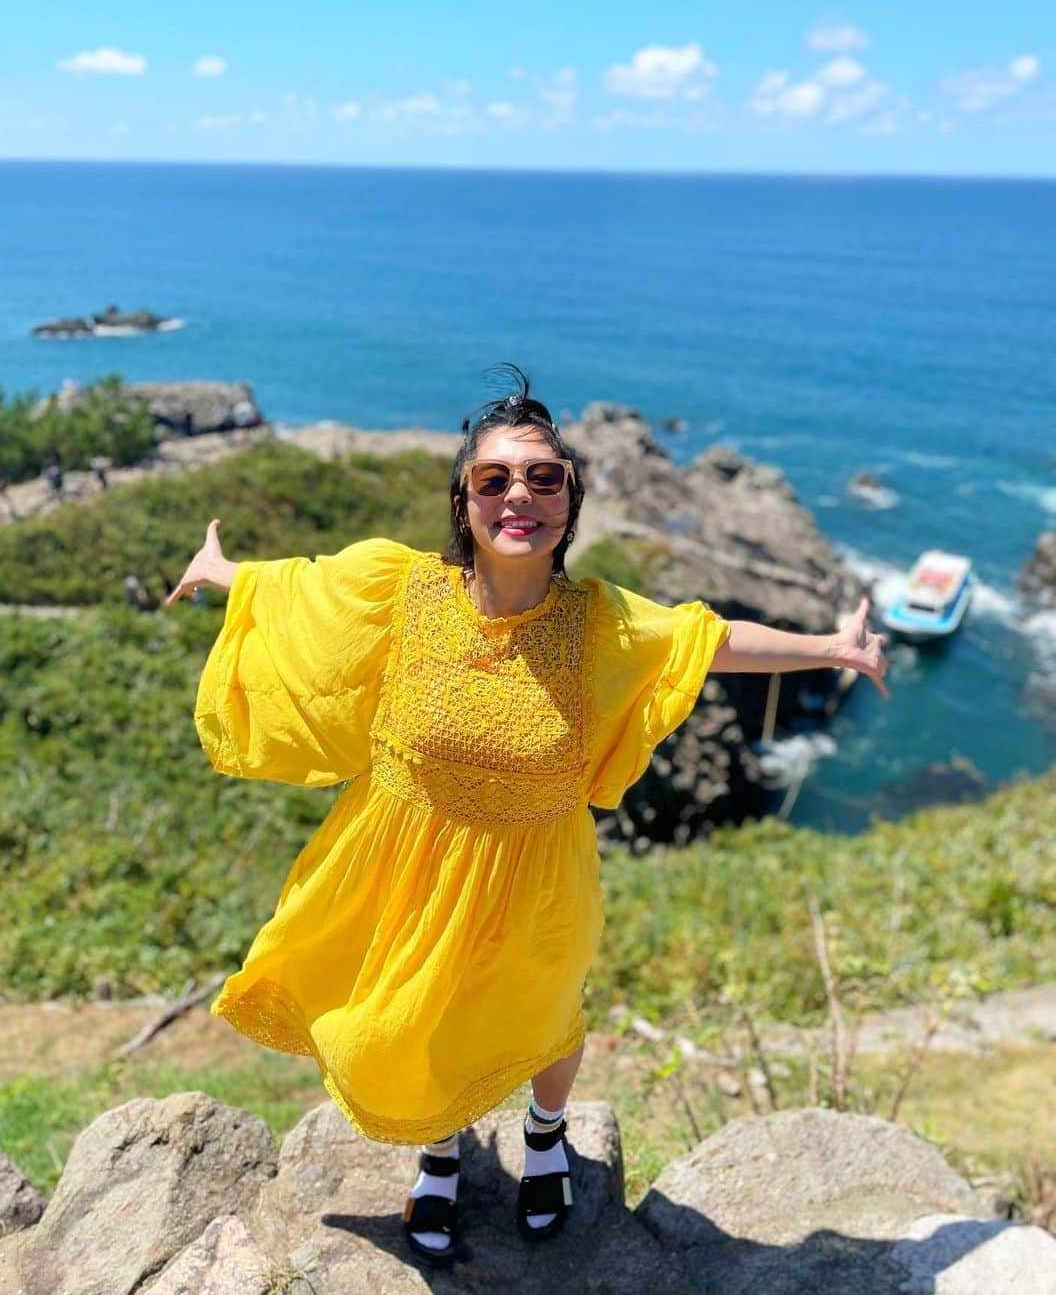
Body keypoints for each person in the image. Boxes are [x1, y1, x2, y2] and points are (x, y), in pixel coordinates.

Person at [166, 366, 889, 1266]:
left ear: (570, 503)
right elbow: (299, 597)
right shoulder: (401, 589)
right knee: (419, 1015)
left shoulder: (600, 622)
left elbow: (709, 639)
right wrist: (226, 572)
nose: (520, 496)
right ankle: (441, 1151)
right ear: (464, 499)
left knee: (545, 1013)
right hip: (407, 856)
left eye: (546, 478)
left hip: (538, 867)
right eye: (494, 478)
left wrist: (832, 646)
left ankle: (546, 1135)